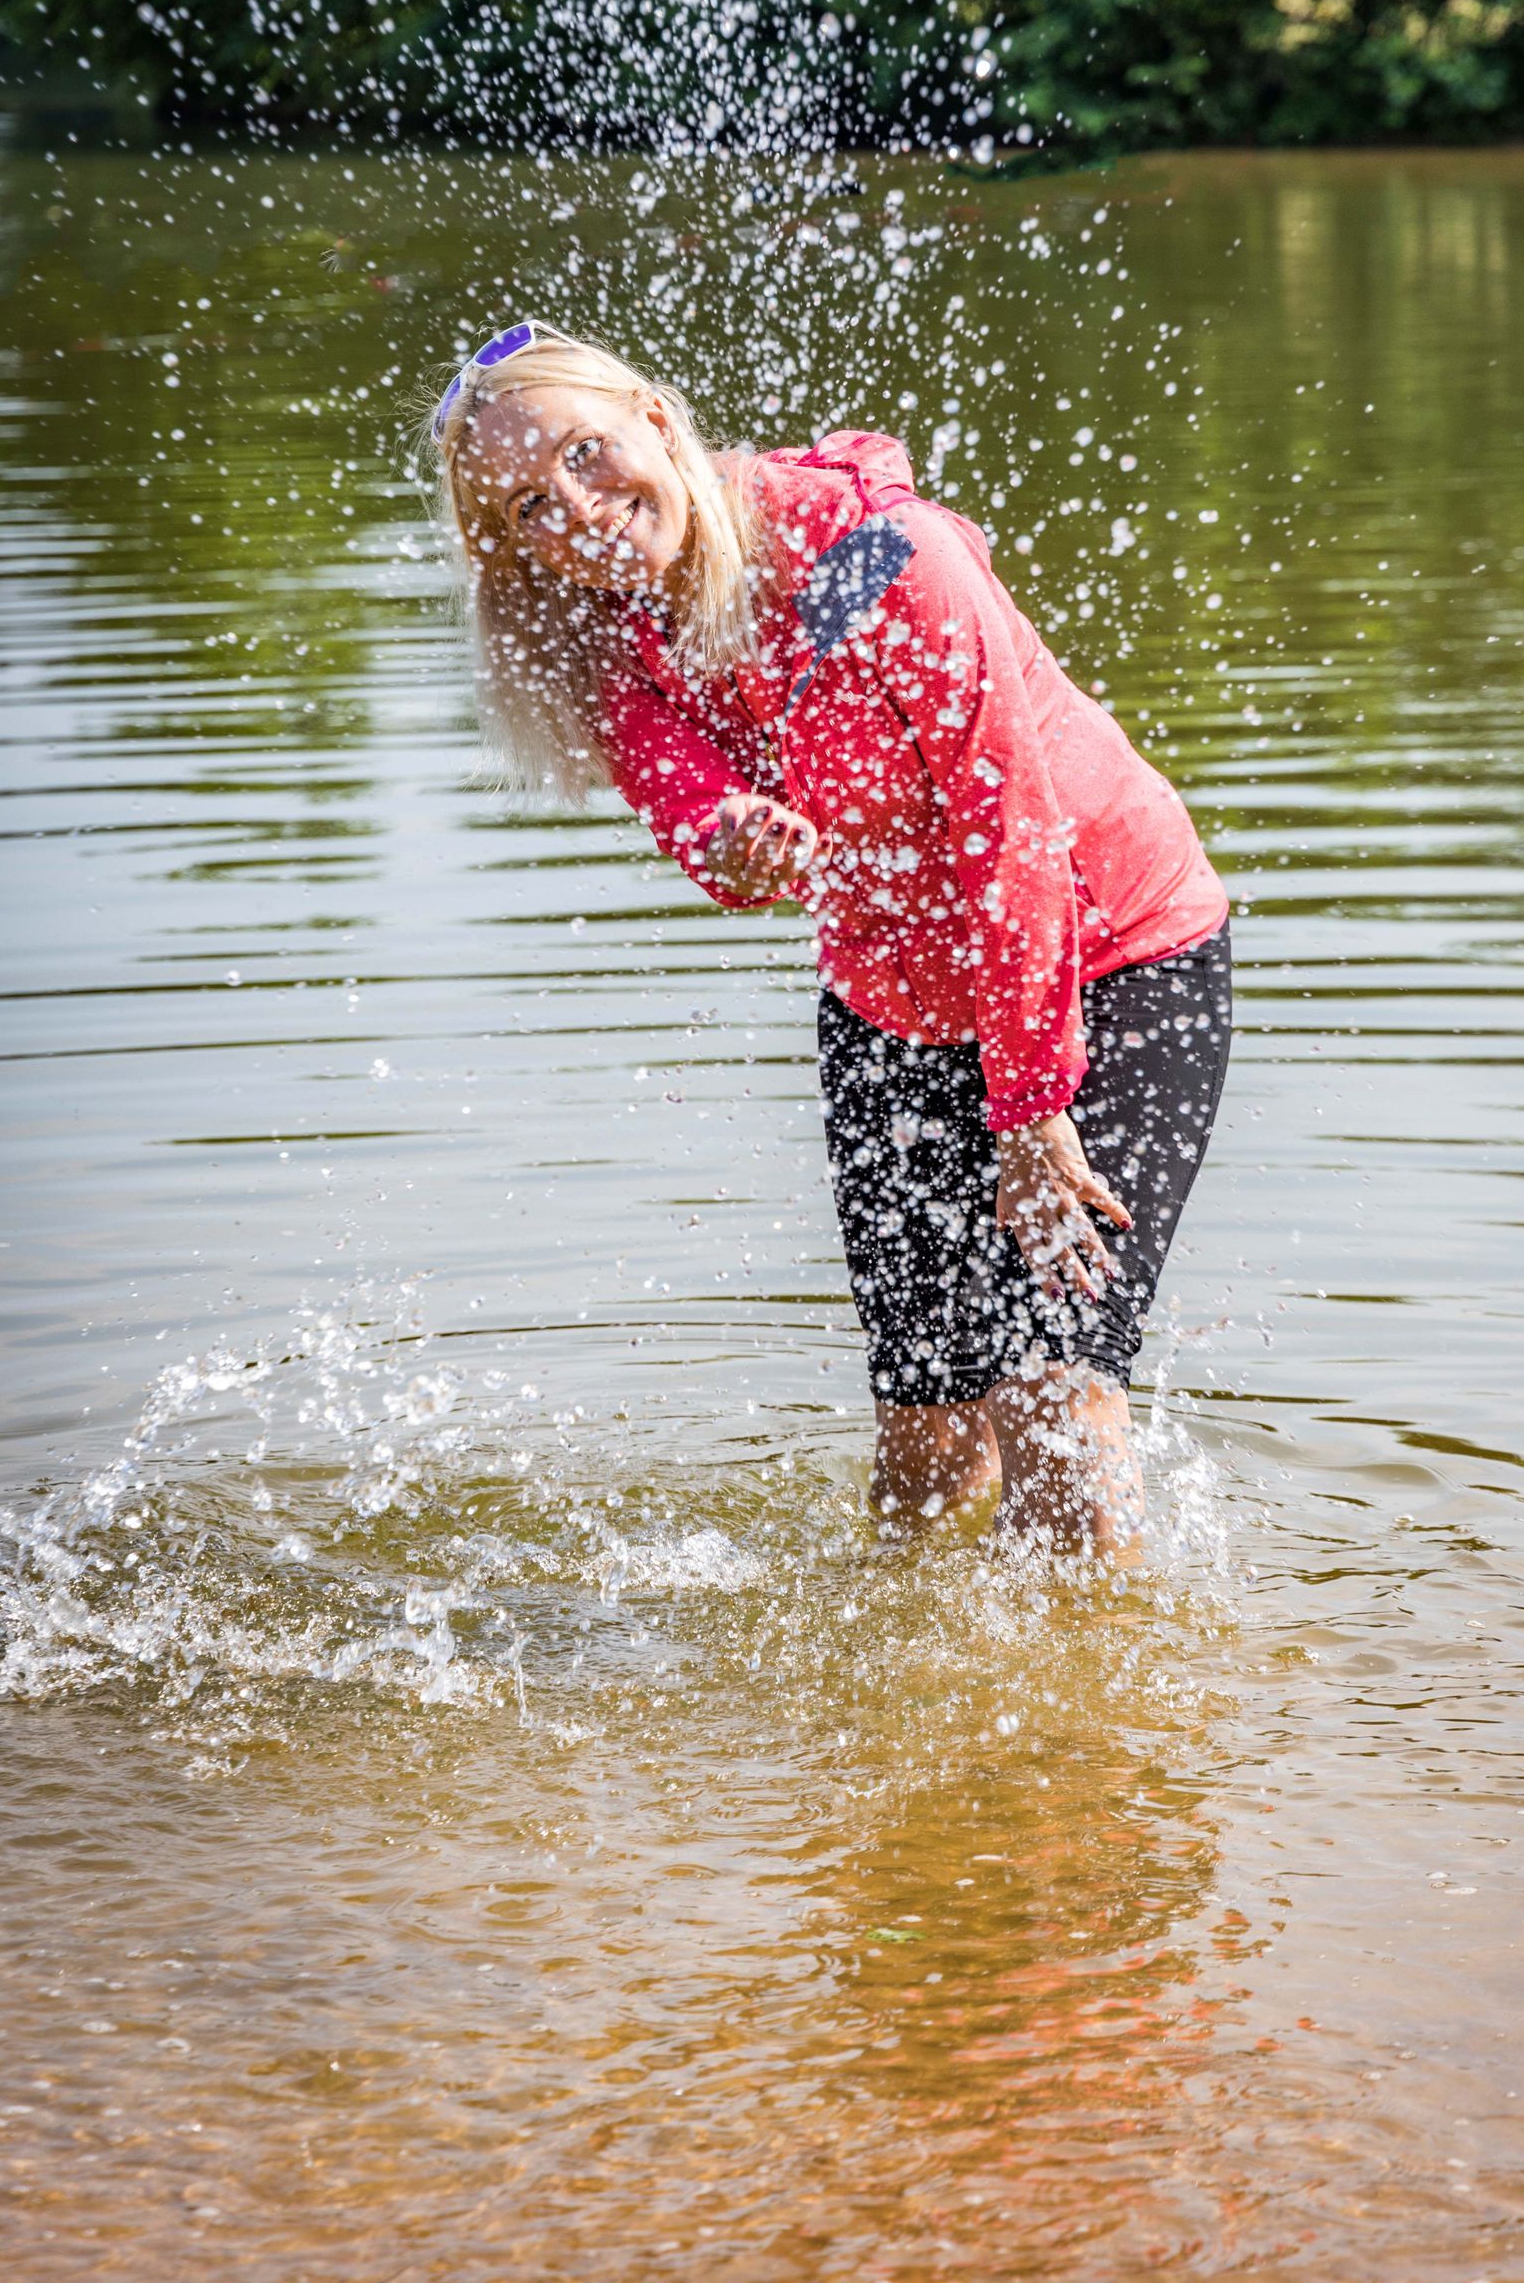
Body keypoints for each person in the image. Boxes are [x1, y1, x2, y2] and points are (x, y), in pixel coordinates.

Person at [430, 319, 1232, 1554]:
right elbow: (691, 811)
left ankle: (1090, 1741)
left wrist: (1027, 1112)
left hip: (1109, 959)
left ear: (653, 416)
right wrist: (737, 839)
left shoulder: (876, 557)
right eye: (530, 508)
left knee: (1052, 1401)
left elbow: (1010, 832)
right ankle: (914, 1709)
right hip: (895, 1003)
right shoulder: (614, 636)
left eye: (587, 456)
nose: (578, 513)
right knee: (926, 1445)